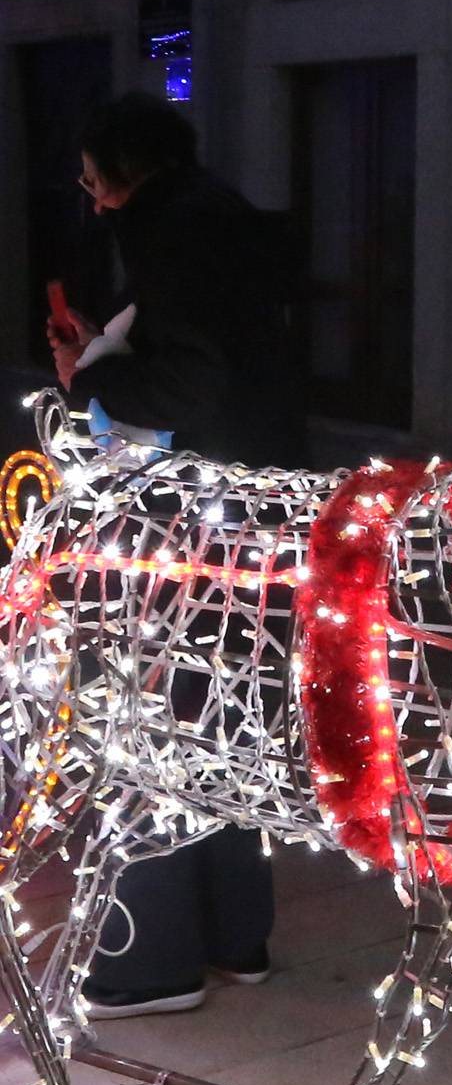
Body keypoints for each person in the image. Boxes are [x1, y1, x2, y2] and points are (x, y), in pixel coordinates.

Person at [49, 93, 305, 1016]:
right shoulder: (225, 215)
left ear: (126, 170)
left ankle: (148, 963)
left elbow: (194, 378)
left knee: (153, 722)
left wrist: (95, 377)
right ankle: (237, 939)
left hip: (191, 518)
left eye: (92, 182)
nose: (92, 202)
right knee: (226, 715)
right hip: (255, 507)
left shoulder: (170, 230)